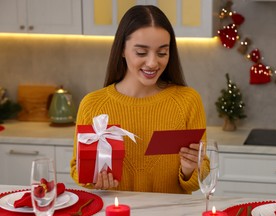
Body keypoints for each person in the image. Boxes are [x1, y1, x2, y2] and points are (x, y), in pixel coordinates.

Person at [70, 5, 206, 194]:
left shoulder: (187, 101)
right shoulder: (93, 104)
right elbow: (78, 169)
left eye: (162, 53)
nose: (152, 63)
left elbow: (199, 176)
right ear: (122, 50)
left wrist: (189, 169)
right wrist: (94, 180)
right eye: (141, 53)